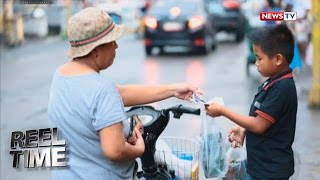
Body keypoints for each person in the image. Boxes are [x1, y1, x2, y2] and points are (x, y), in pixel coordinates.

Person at [48, 7, 200, 180]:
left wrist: (172, 90)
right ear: (95, 50)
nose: (116, 46)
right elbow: (115, 150)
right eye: (112, 42)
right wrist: (140, 148)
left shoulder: (62, 75)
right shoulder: (101, 90)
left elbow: (119, 93)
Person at [205, 24, 297, 180]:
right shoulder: (273, 83)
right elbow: (264, 119)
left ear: (278, 59)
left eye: (260, 58)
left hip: (269, 171)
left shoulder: (282, 88)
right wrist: (243, 129)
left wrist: (222, 111)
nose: (256, 62)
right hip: (260, 165)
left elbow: (259, 125)